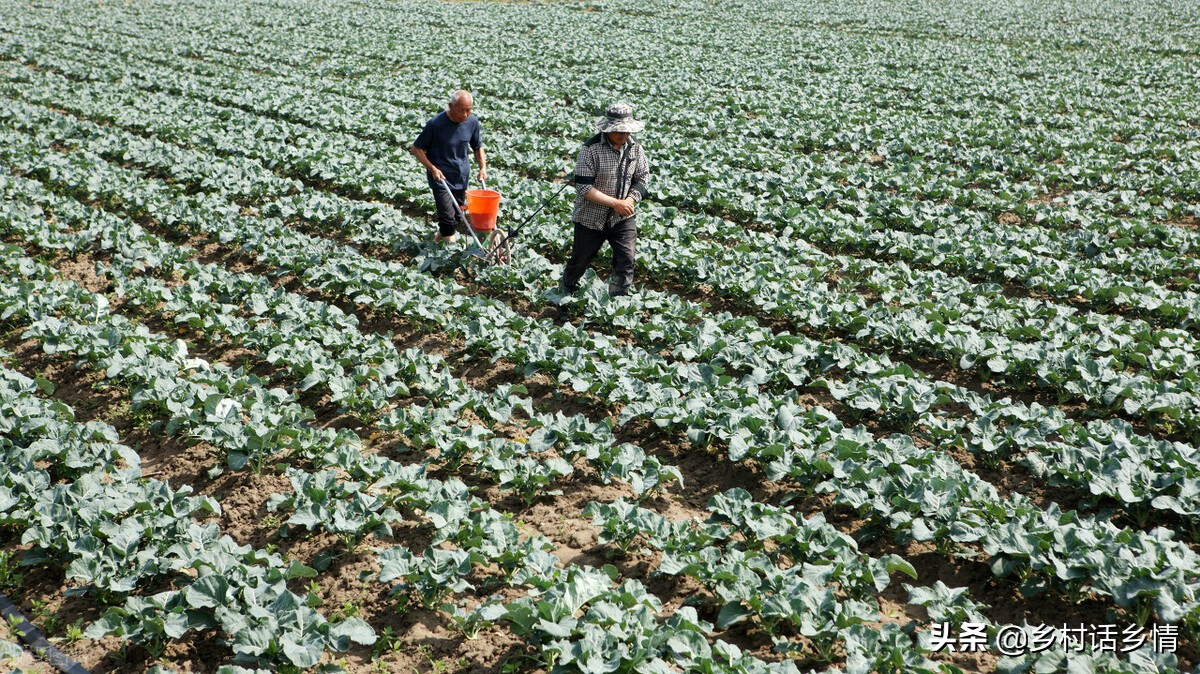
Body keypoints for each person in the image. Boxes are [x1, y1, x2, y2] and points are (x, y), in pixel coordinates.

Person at [561, 102, 650, 297]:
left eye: (627, 130)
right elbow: (584, 188)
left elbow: (643, 179)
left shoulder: (635, 149)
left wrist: (629, 200)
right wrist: (615, 203)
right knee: (580, 260)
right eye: (619, 131)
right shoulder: (590, 149)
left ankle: (618, 299)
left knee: (626, 259)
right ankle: (566, 294)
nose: (624, 135)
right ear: (608, 129)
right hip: (590, 217)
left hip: (623, 217)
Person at [411, 90, 488, 243]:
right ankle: (449, 255)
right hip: (441, 178)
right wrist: (432, 168)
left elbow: (477, 146)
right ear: (450, 106)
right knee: (448, 220)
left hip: (461, 176)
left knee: (457, 217)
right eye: (461, 109)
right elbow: (416, 149)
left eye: (469, 110)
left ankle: (435, 244)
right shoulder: (436, 124)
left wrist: (483, 168)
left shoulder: (472, 122)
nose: (465, 114)